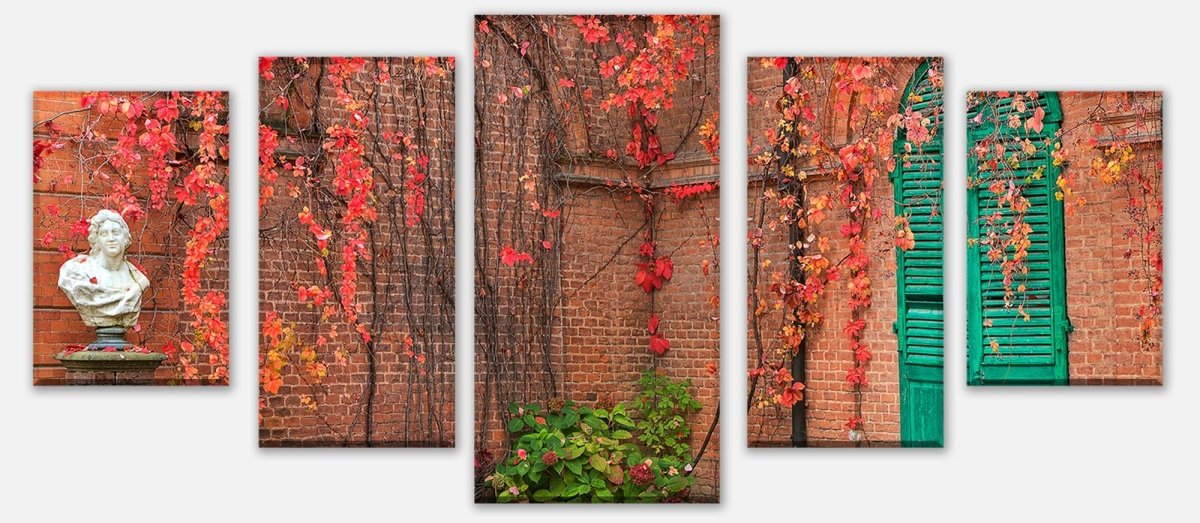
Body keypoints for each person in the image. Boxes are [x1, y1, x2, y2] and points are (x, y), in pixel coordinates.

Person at [57, 209, 150, 328]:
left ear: (125, 238)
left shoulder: (137, 279)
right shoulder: (76, 271)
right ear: (97, 240)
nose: (111, 238)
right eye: (104, 234)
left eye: (116, 232)